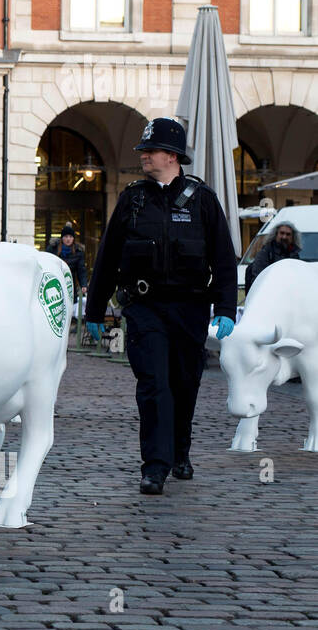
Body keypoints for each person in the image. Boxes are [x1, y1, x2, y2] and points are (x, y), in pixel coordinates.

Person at [83, 117, 237, 496]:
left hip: (190, 309)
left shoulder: (202, 200)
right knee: (153, 385)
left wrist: (226, 308)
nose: (144, 157)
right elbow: (106, 258)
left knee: (185, 384)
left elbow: (223, 257)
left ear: (172, 156)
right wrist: (94, 310)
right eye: (143, 151)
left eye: (150, 151)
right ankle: (154, 466)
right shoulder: (132, 200)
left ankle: (179, 451)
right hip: (145, 307)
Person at [244, 220, 302, 294]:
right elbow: (258, 277)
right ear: (276, 234)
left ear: (293, 237)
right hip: (268, 294)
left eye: (288, 234)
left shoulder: (294, 255)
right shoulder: (265, 252)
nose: (284, 236)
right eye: (282, 233)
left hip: (288, 295)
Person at [45, 223, 88, 297]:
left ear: (73, 238)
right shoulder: (53, 249)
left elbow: (81, 270)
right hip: (55, 283)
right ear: (62, 238)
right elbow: (46, 263)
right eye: (66, 236)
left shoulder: (78, 252)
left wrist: (83, 285)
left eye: (70, 237)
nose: (68, 239)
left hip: (70, 284)